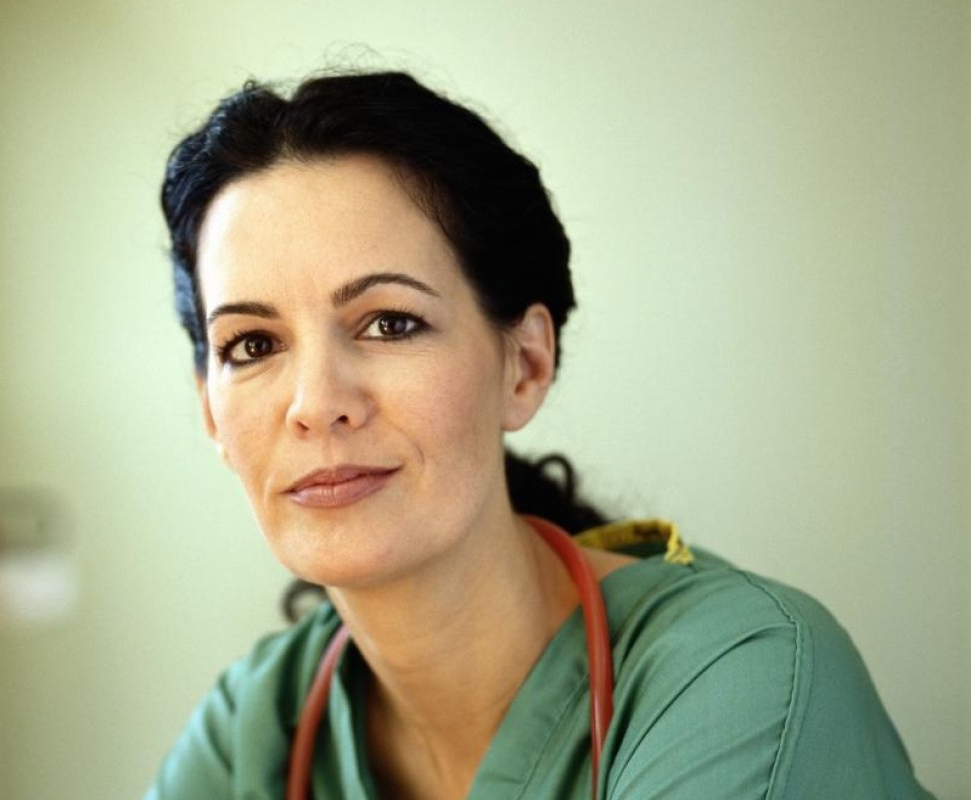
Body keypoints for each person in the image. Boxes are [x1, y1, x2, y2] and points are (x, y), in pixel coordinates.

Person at [146, 71, 929, 799]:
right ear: (210, 412)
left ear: (523, 365)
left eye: (389, 323)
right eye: (251, 345)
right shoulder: (253, 728)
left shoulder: (743, 677)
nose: (316, 404)